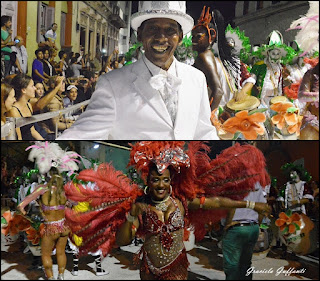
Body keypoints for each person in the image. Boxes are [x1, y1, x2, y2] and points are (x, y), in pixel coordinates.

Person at [64, 141, 271, 280]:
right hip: (149, 269)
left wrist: (252, 205)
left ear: (171, 180)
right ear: (149, 181)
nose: (160, 185)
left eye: (165, 180)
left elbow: (216, 202)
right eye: (156, 180)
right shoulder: (141, 204)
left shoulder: (182, 201)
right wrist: (131, 216)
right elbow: (122, 241)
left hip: (177, 267)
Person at [57, 1, 218, 140]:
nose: (161, 37)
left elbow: (203, 132)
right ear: (140, 34)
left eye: (170, 30)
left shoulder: (197, 78)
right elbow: (82, 133)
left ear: (180, 37)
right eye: (153, 28)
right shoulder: (112, 84)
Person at [17, 142, 80, 280]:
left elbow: (23, 203)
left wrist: (23, 210)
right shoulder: (64, 190)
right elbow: (76, 202)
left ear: (45, 174)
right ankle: (61, 276)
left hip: (50, 229)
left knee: (45, 254)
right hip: (64, 227)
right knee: (61, 253)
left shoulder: (41, 189)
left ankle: (51, 278)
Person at [222, 181, 268, 280]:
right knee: (246, 264)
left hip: (236, 227)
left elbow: (232, 205)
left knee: (232, 267)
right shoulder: (257, 184)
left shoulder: (235, 181)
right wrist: (257, 225)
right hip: (252, 227)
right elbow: (263, 208)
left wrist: (227, 224)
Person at [7, 74, 45, 140]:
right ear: (23, 90)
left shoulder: (29, 105)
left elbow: (32, 130)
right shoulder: (14, 111)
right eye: (32, 86)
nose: (35, 88)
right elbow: (18, 137)